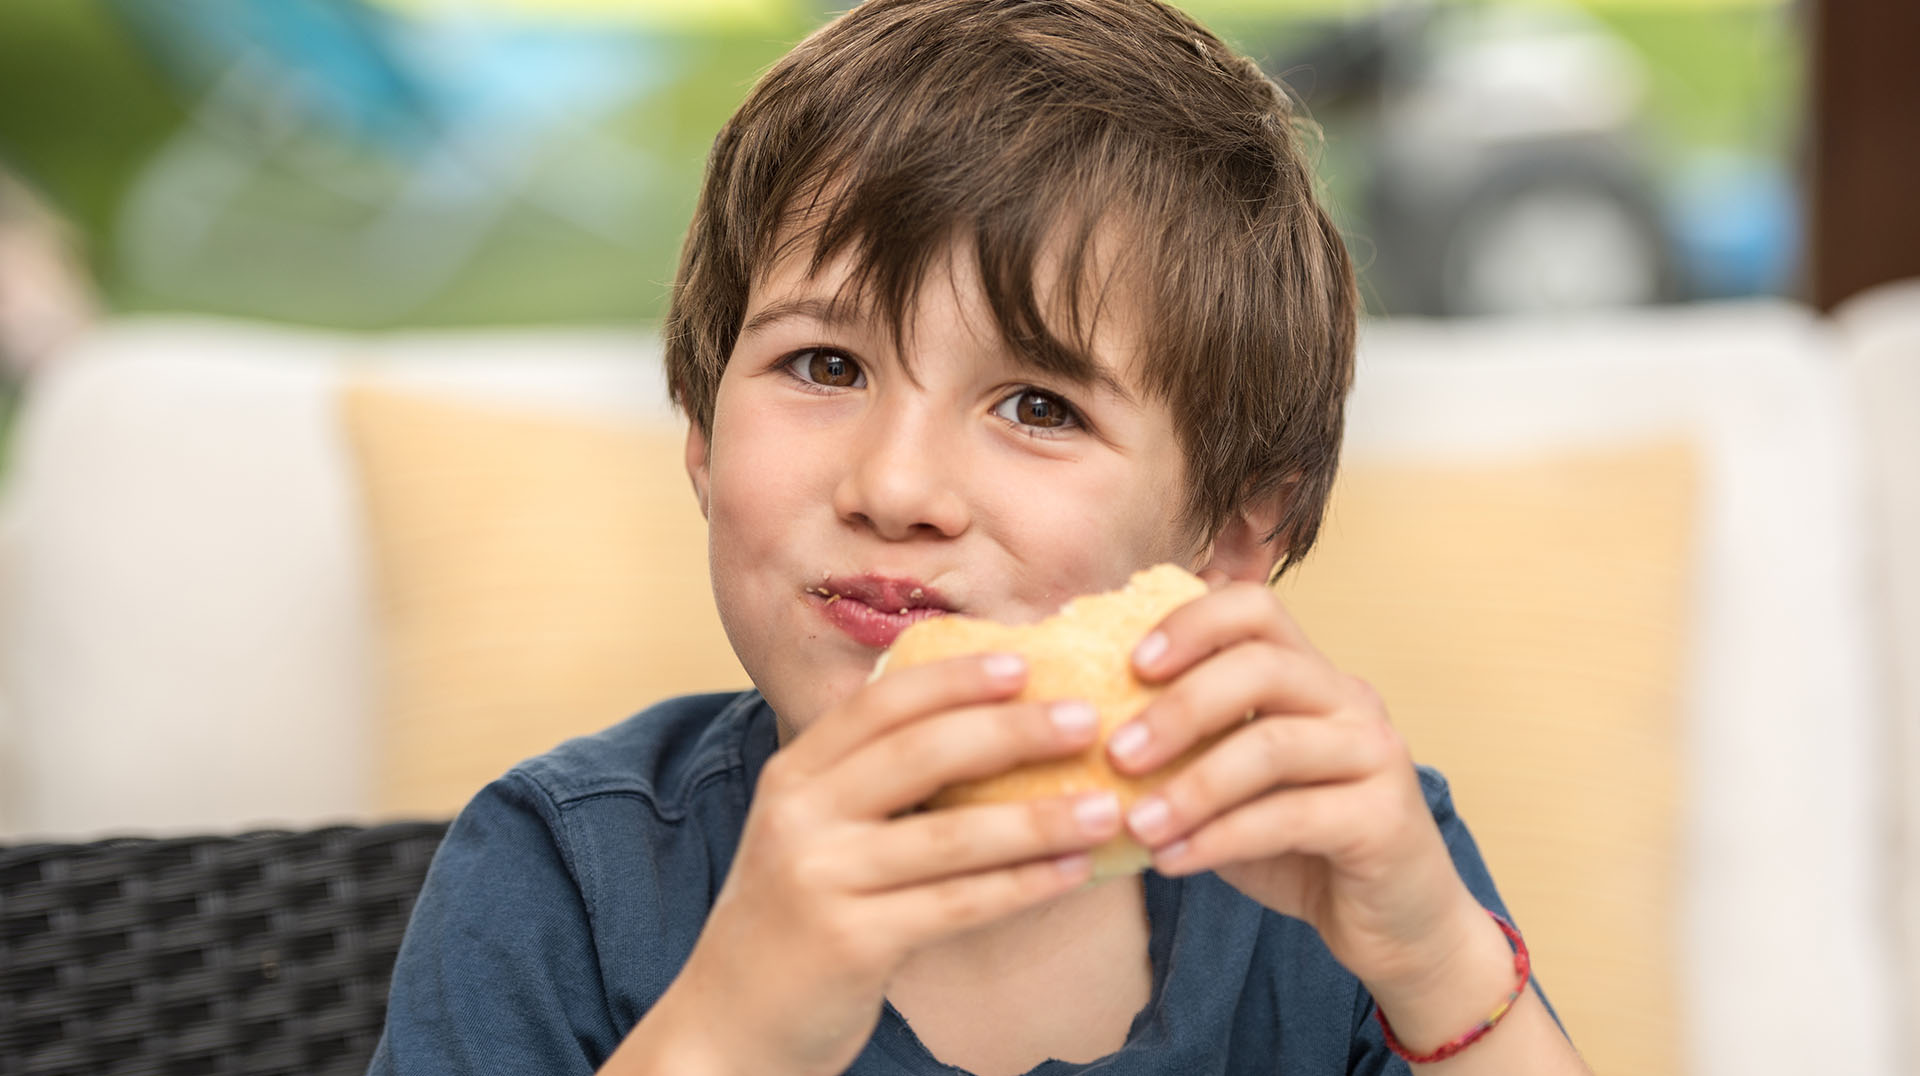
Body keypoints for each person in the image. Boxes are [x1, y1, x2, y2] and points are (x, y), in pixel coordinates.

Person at [369, 0, 1591, 1072]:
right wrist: (731, 1029)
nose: (897, 485)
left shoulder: (1338, 855)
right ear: (700, 431)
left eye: (1037, 406)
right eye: (824, 363)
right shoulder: (564, 879)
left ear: (1228, 535)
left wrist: (1438, 965)